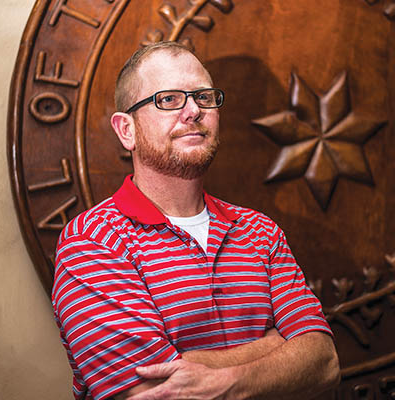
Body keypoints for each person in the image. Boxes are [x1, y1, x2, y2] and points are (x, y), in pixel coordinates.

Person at [52, 41, 340, 400]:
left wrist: (220, 381)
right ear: (126, 130)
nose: (193, 111)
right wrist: (279, 345)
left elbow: (323, 360)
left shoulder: (260, 231)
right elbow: (152, 392)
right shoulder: (90, 242)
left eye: (204, 97)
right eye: (169, 99)